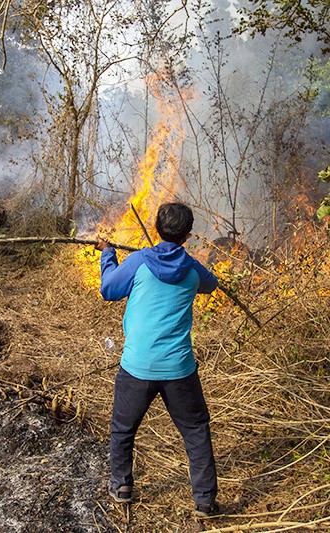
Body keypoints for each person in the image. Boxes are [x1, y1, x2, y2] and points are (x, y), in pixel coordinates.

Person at [95, 202, 220, 517]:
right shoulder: (192, 270)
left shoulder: (138, 261)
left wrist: (107, 254)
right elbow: (211, 284)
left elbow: (108, 289)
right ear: (188, 236)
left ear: (156, 229)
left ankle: (122, 486)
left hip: (137, 367)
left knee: (123, 429)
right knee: (195, 431)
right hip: (179, 369)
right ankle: (204, 502)